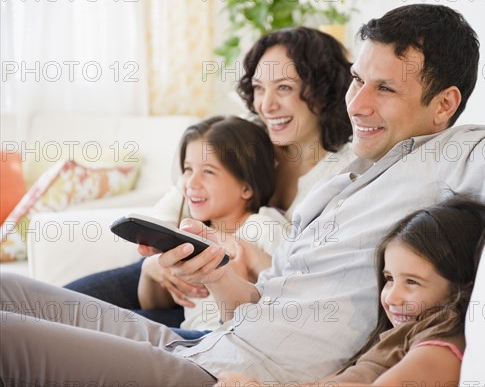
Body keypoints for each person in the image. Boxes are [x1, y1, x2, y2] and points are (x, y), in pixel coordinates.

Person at [1, 4, 485, 384]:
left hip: (230, 375)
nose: (358, 103)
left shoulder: (465, 153)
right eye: (358, 80)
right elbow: (264, 306)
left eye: (383, 89)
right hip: (212, 341)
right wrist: (216, 273)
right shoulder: (344, 176)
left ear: (444, 104)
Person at [63, 26, 356, 327]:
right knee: (56, 308)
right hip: (181, 271)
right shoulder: (246, 138)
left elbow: (303, 282)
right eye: (258, 88)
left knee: (85, 332)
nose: (266, 105)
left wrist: (245, 257)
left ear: (323, 93)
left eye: (284, 88)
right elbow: (175, 204)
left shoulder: (339, 176)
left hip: (237, 303)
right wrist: (156, 260)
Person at [218, 197, 485, 385]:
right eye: (389, 278)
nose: (392, 297)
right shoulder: (395, 338)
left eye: (412, 282)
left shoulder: (442, 343)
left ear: (463, 285)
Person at [137, 115, 288, 336]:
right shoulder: (191, 235)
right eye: (188, 169)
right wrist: (149, 271)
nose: (191, 183)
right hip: (188, 335)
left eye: (208, 171)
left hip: (220, 340)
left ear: (246, 187)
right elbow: (152, 306)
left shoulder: (263, 227)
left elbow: (294, 297)